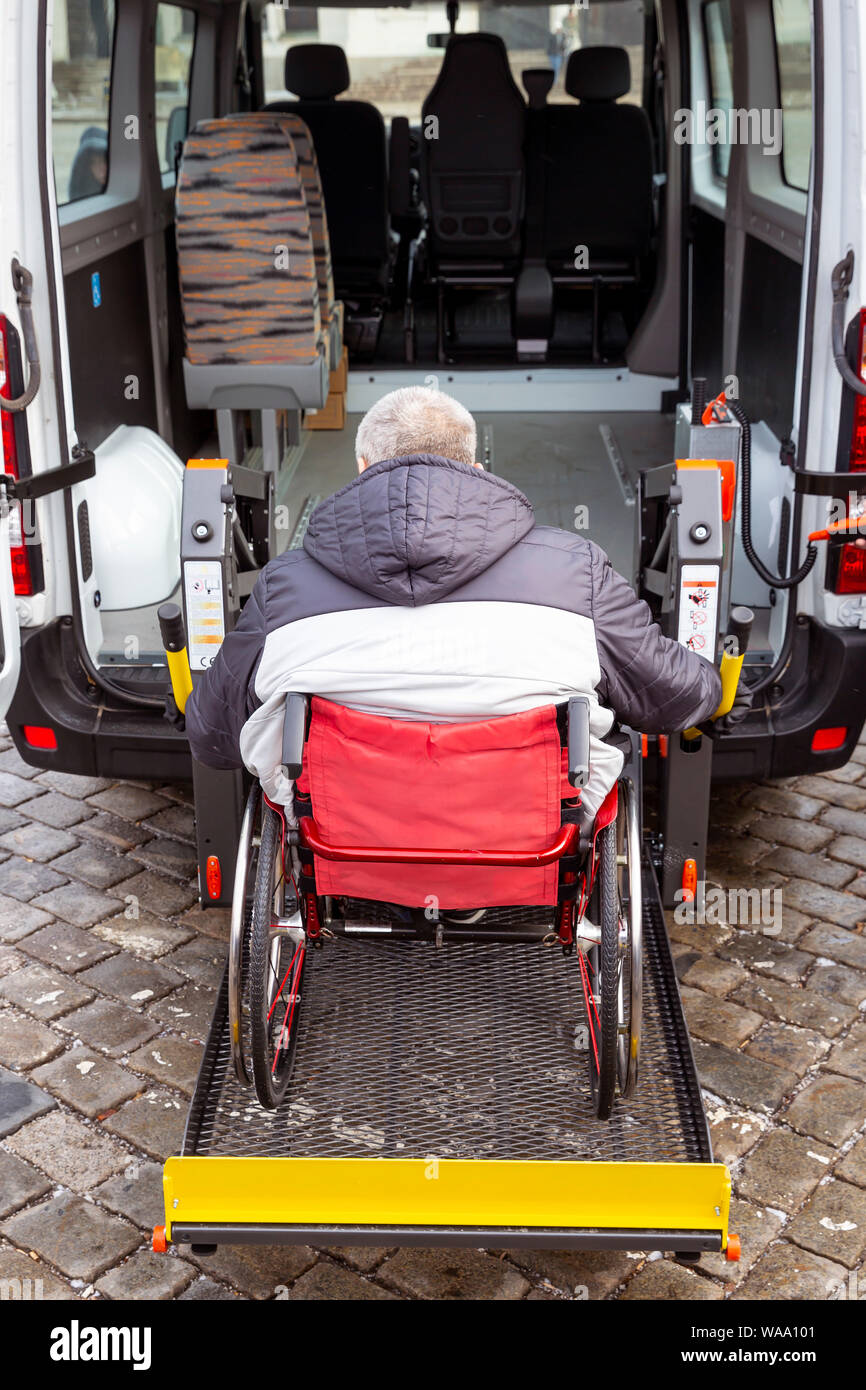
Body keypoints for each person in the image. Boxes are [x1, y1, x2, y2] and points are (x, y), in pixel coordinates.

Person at [185, 387, 721, 829]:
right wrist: (717, 688)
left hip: (344, 839)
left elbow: (212, 732)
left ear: (362, 466)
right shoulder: (574, 570)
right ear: (475, 465)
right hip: (530, 837)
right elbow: (668, 697)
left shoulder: (285, 587)